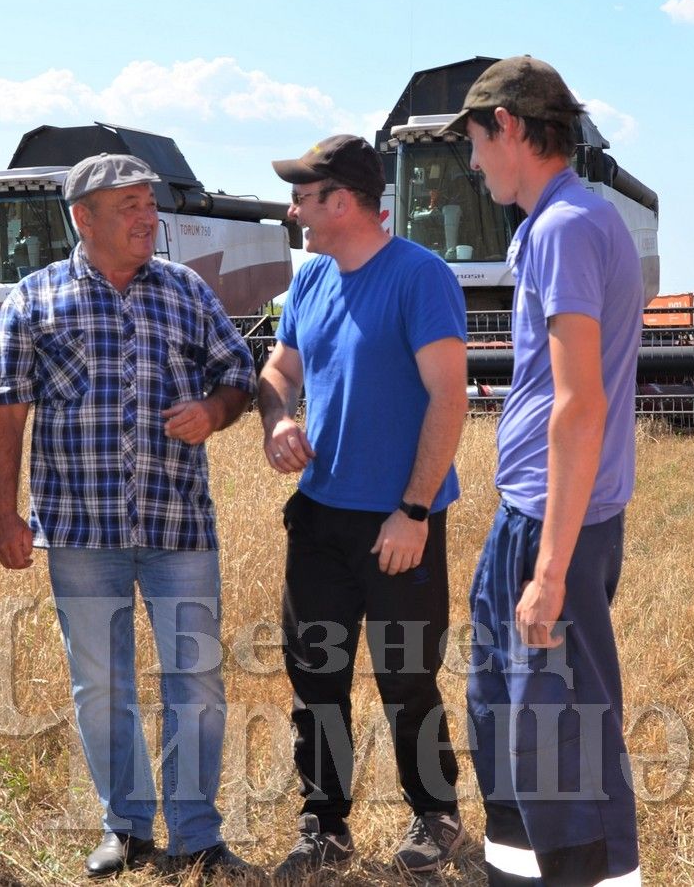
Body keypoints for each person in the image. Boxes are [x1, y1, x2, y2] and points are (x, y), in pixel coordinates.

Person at [0, 153, 256, 879]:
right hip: (79, 532)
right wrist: (6, 518)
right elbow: (5, 419)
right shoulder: (35, 299)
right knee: (101, 685)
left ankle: (196, 834)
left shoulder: (186, 291)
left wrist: (213, 411)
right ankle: (126, 828)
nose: (147, 217)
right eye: (129, 204)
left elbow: (238, 376)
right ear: (84, 217)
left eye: (149, 203)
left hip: (178, 529)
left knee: (194, 680)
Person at [439, 56, 644, 886]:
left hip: (553, 528)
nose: (475, 161)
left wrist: (551, 569)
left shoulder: (565, 227)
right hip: (528, 516)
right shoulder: (555, 223)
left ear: (512, 128)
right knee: (508, 726)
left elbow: (578, 404)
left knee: (564, 739)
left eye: (477, 142)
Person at [260, 135, 469, 879]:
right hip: (318, 517)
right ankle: (325, 827)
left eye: (303, 197)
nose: (293, 211)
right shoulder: (311, 280)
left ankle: (436, 816)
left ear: (340, 202)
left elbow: (450, 399)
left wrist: (412, 512)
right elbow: (279, 369)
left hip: (396, 522)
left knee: (405, 677)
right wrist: (276, 417)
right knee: (315, 676)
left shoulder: (419, 277)